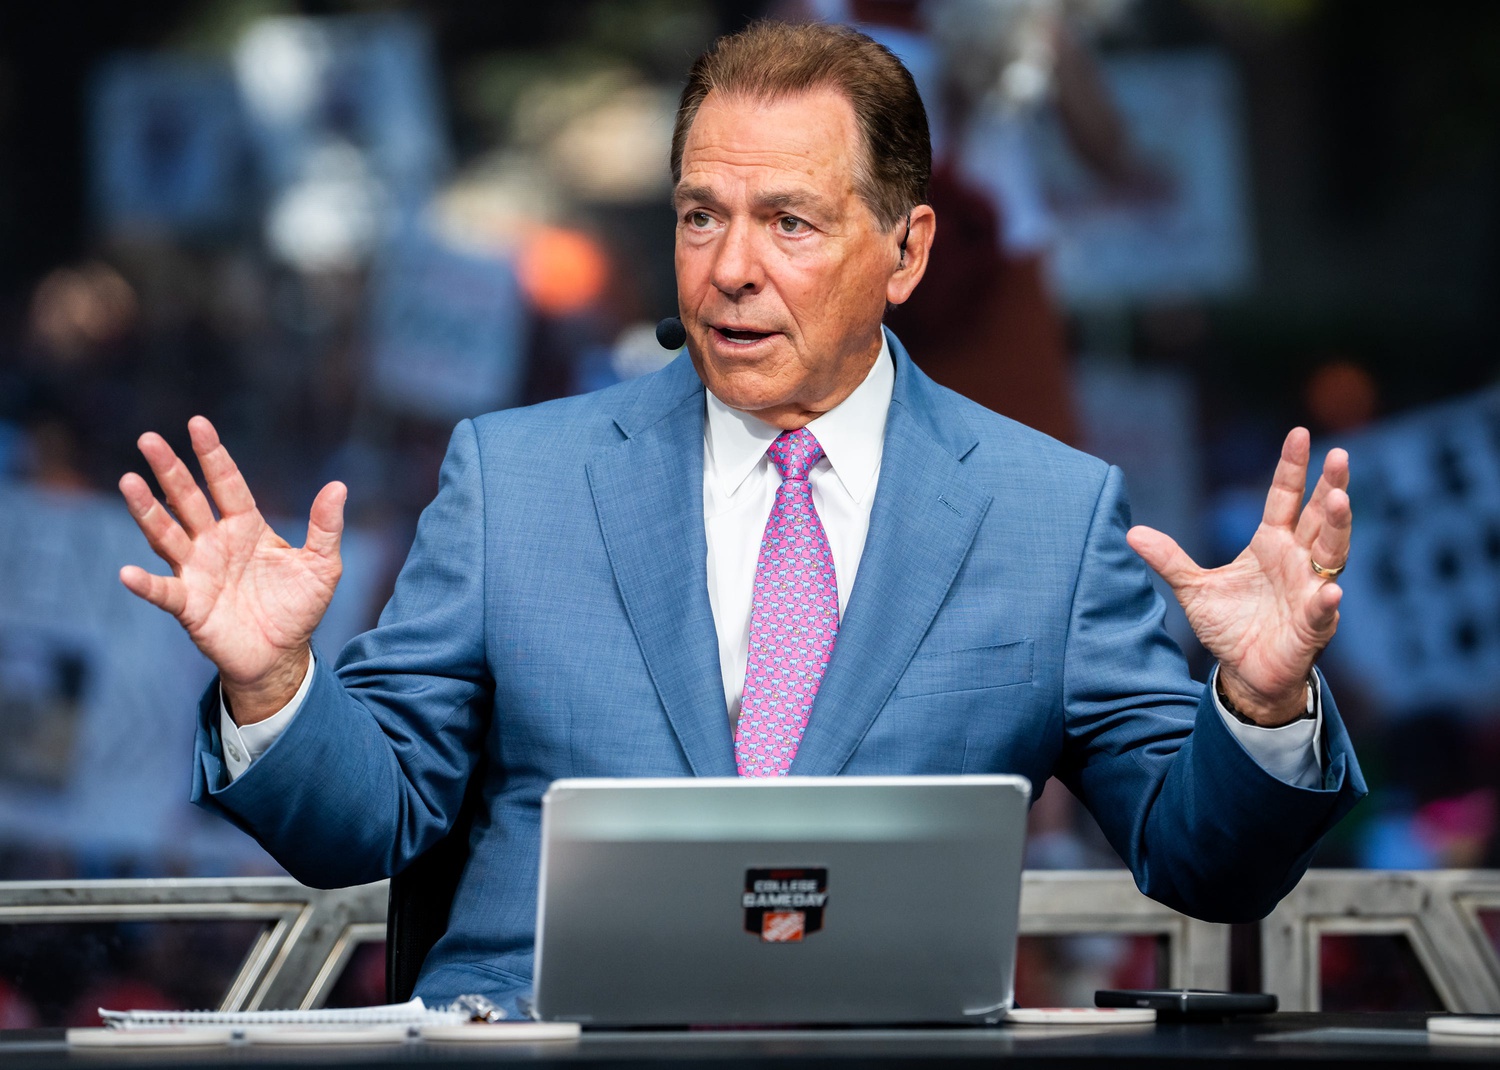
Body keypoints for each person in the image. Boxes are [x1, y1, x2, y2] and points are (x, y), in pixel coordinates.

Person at [118, 21, 1362, 1008]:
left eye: (790, 222)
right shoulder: (515, 481)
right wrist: (278, 686)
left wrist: (1256, 708)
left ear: (907, 250)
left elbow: (1203, 859)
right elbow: (365, 820)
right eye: (701, 214)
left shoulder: (1050, 508)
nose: (729, 269)